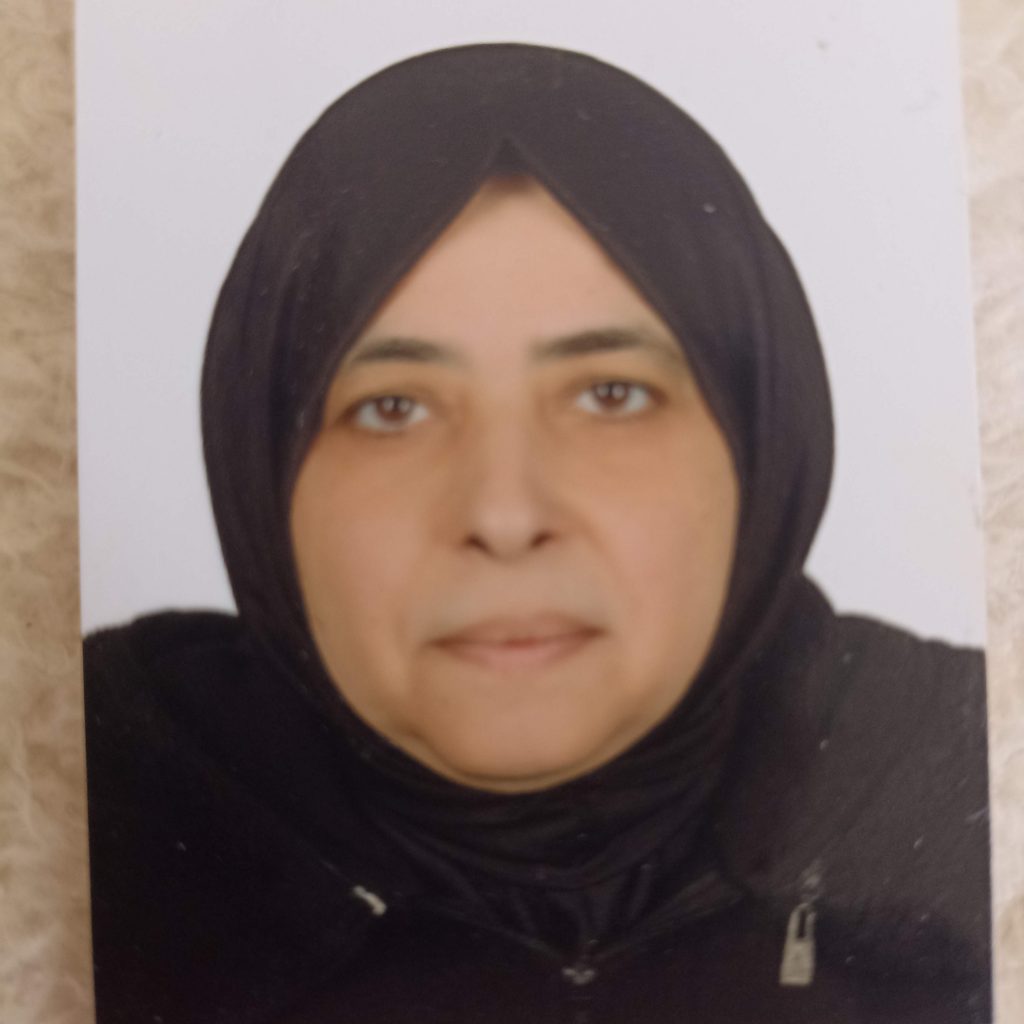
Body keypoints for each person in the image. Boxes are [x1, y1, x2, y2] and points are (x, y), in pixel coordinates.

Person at [83, 43, 991, 1024]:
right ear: (261, 467)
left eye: (610, 394)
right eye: (392, 407)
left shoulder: (978, 781)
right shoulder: (79, 801)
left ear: (761, 444)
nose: (504, 516)